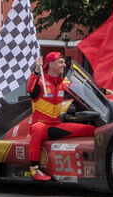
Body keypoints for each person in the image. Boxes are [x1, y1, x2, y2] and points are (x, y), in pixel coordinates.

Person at [25, 52, 96, 181]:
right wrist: (36, 70)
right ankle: (34, 169)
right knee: (38, 127)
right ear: (51, 64)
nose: (64, 65)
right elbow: (30, 89)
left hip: (56, 125)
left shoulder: (63, 83)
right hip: (40, 127)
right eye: (61, 62)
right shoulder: (40, 82)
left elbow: (85, 92)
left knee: (91, 130)